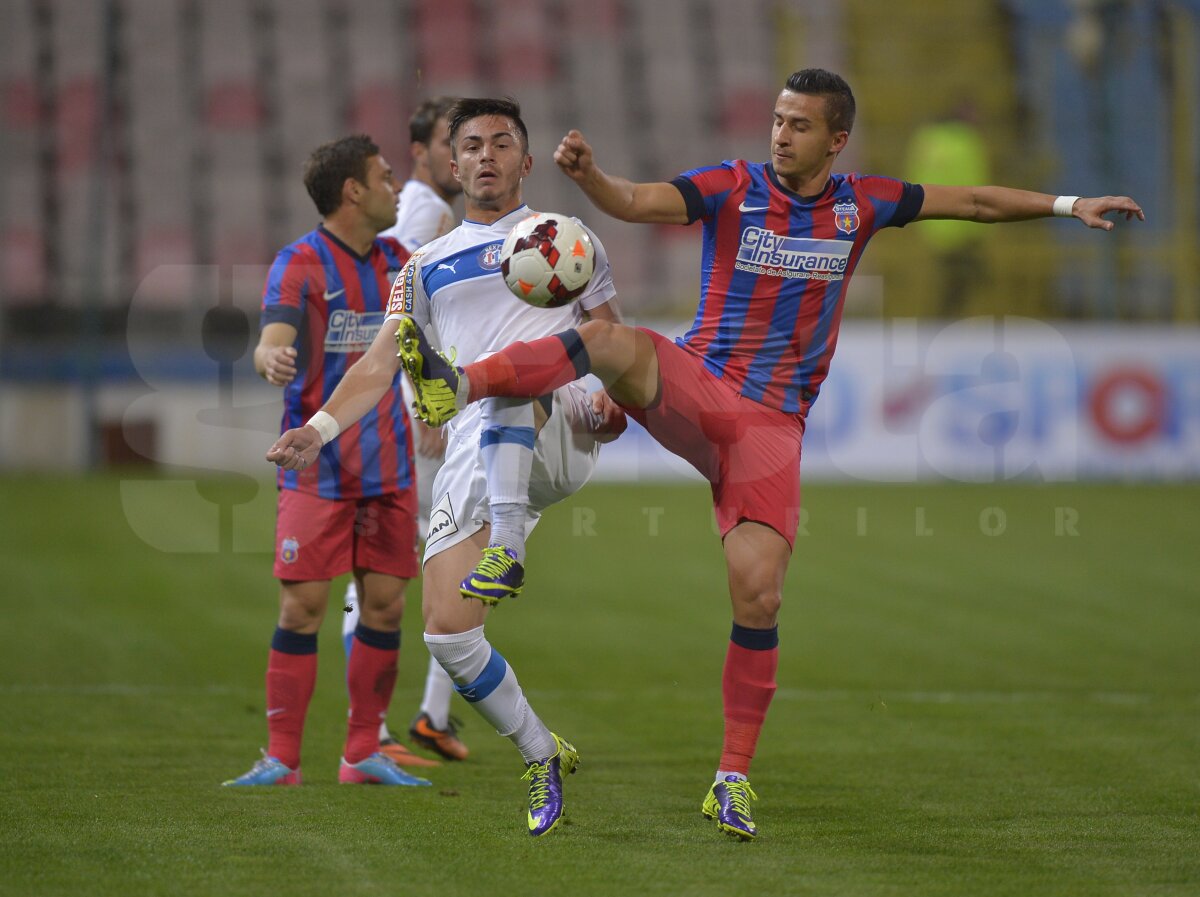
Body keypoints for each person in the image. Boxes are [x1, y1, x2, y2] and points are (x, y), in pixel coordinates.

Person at [394, 69, 1145, 840]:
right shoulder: (733, 186)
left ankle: (731, 779)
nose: (781, 134)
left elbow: (976, 203)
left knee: (759, 596)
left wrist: (1068, 205)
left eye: (799, 125)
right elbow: (637, 202)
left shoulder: (867, 203)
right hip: (695, 381)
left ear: (836, 139)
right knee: (606, 339)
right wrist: (592, 178)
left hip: (769, 428)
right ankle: (463, 383)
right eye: (778, 120)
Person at [266, 97, 626, 836]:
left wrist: (606, 400)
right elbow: (378, 361)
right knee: (447, 634)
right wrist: (321, 425)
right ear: (451, 163)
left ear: (526, 163)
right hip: (473, 449)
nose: (486, 155)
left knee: (504, 383)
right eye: (472, 145)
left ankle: (508, 549)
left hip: (552, 427)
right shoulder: (421, 264)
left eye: (502, 143)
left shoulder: (564, 236)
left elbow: (609, 337)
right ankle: (538, 752)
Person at [223, 134, 430, 788]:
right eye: (385, 176)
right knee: (301, 610)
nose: (397, 187)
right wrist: (270, 360)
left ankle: (361, 752)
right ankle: (281, 758)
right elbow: (270, 341)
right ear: (354, 191)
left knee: (386, 608)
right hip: (317, 469)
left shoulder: (402, 260)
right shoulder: (301, 263)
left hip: (390, 466)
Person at [339, 96, 470, 764]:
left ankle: (420, 719)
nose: (463, 157)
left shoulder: (426, 208)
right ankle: (389, 728)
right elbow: (405, 310)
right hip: (414, 410)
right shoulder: (421, 210)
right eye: (454, 144)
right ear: (421, 151)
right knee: (414, 555)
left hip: (409, 403)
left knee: (420, 554)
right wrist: (423, 399)